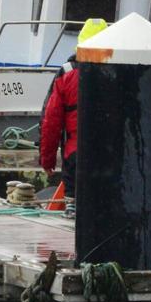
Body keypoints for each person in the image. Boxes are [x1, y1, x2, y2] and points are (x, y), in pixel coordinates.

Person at [38, 18, 108, 198]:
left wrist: (47, 159)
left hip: (75, 154)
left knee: (72, 209)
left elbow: (50, 122)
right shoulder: (118, 73)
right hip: (108, 156)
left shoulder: (67, 73)